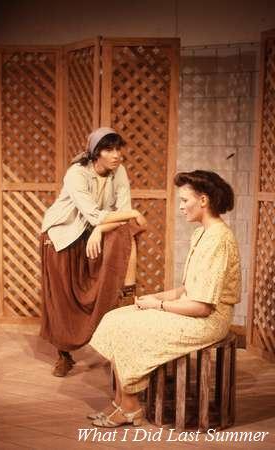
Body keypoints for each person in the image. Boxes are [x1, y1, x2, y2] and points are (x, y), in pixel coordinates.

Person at [88, 170, 241, 427]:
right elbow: (187, 289)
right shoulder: (201, 234)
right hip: (193, 309)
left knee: (130, 326)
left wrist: (157, 306)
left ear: (203, 201)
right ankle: (120, 401)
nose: (180, 207)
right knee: (116, 318)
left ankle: (130, 407)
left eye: (184, 200)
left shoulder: (219, 240)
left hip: (208, 321)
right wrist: (156, 296)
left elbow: (202, 307)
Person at [40, 127, 146, 377]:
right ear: (96, 152)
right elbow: (97, 214)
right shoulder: (76, 174)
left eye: (119, 149)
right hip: (61, 237)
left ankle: (115, 347)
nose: (116, 154)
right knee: (62, 298)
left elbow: (119, 214)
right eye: (109, 149)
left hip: (90, 235)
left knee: (124, 238)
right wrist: (126, 215)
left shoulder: (118, 172)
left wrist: (99, 231)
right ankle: (63, 355)